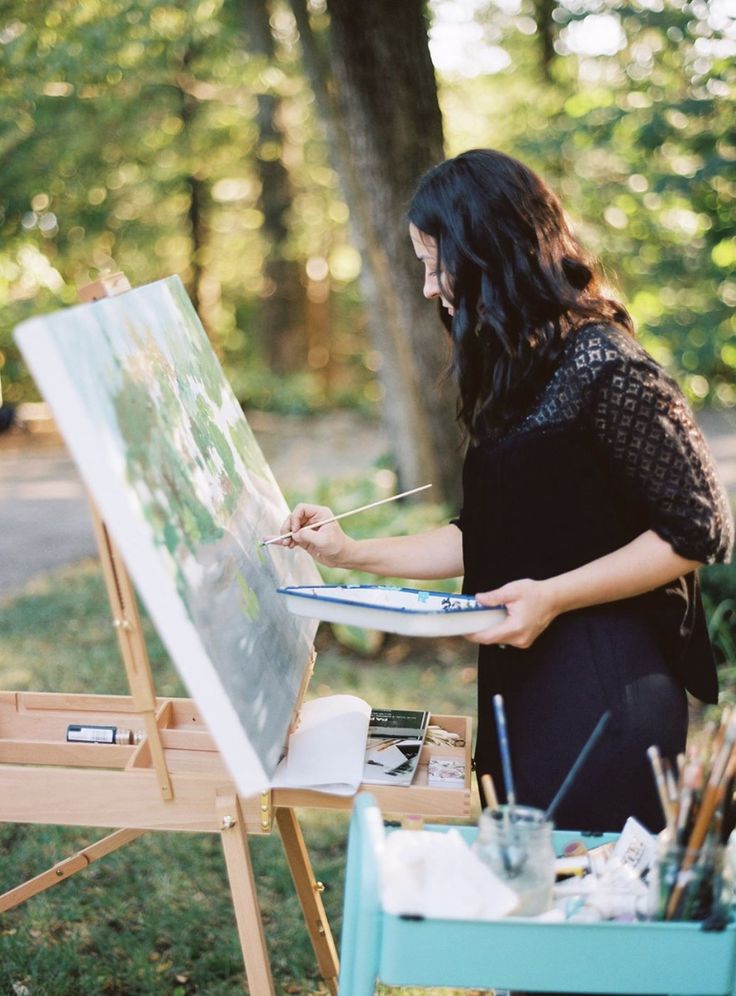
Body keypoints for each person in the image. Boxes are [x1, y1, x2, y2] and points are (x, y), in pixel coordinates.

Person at [277, 148, 734, 834]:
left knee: (580, 892)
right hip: (530, 664)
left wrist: (553, 595)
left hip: (606, 679)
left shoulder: (608, 366)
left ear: (491, 251)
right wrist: (349, 551)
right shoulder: (516, 368)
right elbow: (484, 534)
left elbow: (699, 530)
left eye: (437, 262)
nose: (430, 287)